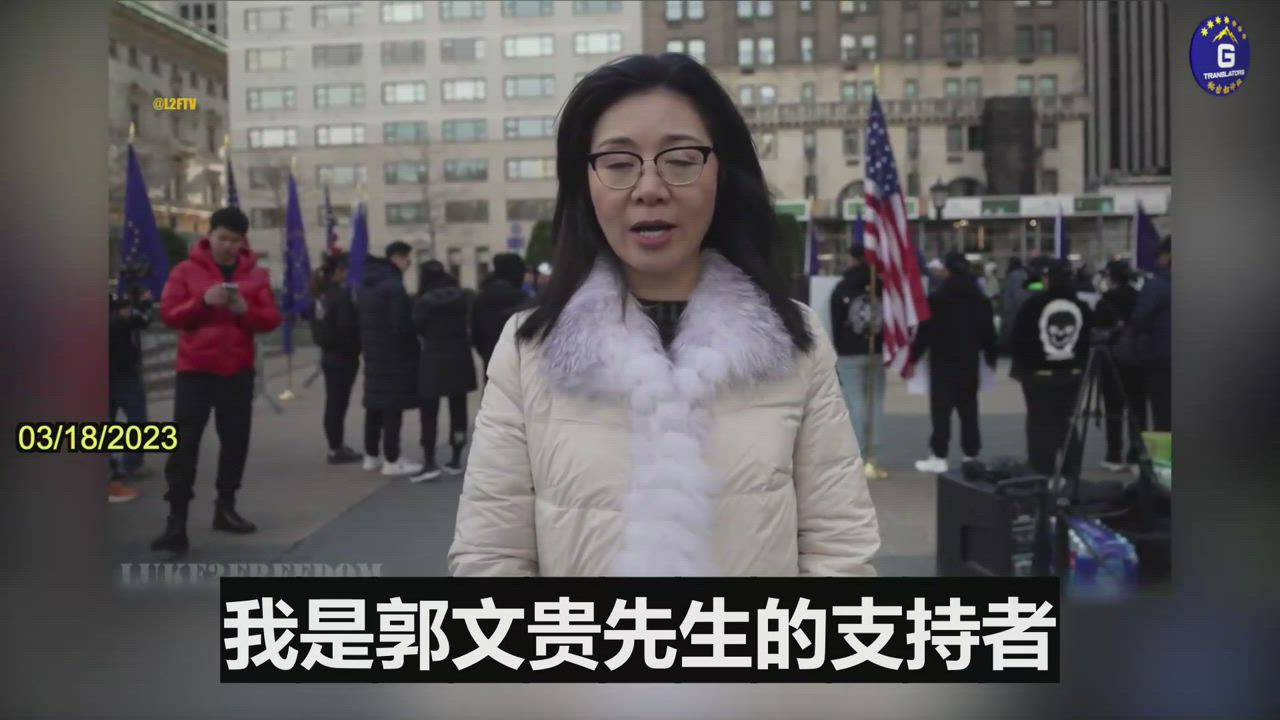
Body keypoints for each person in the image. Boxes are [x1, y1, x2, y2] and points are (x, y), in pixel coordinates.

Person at [447, 53, 880, 577]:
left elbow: (840, 549)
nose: (650, 188)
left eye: (680, 159)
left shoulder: (796, 341)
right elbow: (491, 557)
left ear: (722, 173)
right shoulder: (527, 349)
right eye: (618, 163)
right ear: (585, 183)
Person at [151, 207, 282, 553]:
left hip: (237, 371)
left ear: (243, 242)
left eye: (235, 240)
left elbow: (271, 319)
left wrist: (245, 311)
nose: (228, 245)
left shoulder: (256, 275)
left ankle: (226, 507)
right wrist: (203, 302)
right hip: (195, 370)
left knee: (235, 442)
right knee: (184, 444)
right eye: (223, 238)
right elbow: (169, 315)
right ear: (209, 235)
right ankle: (176, 519)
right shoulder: (185, 271)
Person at [904, 252, 998, 474]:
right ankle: (970, 455)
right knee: (969, 410)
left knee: (941, 412)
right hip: (969, 362)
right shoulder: (980, 299)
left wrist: (912, 359)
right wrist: (991, 357)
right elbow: (989, 334)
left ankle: (939, 456)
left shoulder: (937, 298)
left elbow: (925, 333)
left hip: (942, 362)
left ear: (947, 270)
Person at [1011, 258, 1093, 480]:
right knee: (1066, 422)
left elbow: (1018, 338)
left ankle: (1041, 472)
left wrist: (1025, 365)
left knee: (1040, 423)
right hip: (1072, 373)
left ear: (1048, 279)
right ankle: (1070, 472)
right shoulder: (1081, 305)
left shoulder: (1033, 305)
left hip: (1039, 374)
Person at [357, 241, 424, 477]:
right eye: (407, 260)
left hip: (373, 353)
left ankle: (371, 455)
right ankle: (392, 459)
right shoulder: (394, 286)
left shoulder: (366, 284)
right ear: (398, 258)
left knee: (374, 404)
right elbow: (402, 325)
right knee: (392, 407)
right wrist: (414, 349)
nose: (408, 264)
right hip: (394, 356)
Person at [410, 261, 478, 481]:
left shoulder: (423, 301)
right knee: (458, 410)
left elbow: (417, 327)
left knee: (429, 413)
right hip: (459, 357)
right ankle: (456, 457)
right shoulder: (463, 297)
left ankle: (429, 459)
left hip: (432, 358)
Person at [829, 244, 887, 480]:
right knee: (875, 405)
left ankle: (858, 456)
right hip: (877, 352)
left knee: (855, 404)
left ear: (852, 258)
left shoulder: (842, 287)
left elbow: (836, 323)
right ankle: (874, 455)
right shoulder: (880, 286)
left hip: (849, 353)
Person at [309, 250, 363, 465]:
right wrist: (357, 346)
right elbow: (346, 328)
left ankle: (335, 445)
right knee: (338, 404)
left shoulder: (320, 295)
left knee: (333, 401)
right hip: (343, 357)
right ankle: (336, 448)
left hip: (328, 355)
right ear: (339, 271)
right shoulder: (341, 297)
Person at [1093, 259, 1147, 472]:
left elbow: (1096, 330)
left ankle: (1113, 454)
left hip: (1111, 360)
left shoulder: (1105, 301)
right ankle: (1137, 454)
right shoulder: (1141, 298)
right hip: (1137, 360)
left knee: (1113, 408)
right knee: (1138, 408)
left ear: (1111, 277)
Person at [107, 283, 154, 503]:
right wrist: (126, 313)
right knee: (136, 419)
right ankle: (122, 470)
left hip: (118, 369)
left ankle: (124, 465)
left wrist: (141, 305)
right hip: (118, 373)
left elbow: (140, 321)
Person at [1130, 236, 1171, 432]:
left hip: (1161, 358)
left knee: (1163, 414)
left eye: (1160, 255)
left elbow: (1139, 320)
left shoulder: (1156, 286)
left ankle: (1166, 454)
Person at [472, 253, 530, 372]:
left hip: (490, 356)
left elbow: (475, 330)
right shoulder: (521, 298)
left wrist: (484, 352)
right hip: (516, 359)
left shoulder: (482, 296)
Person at [999, 257, 1030, 355]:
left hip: (1013, 315)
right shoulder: (1027, 275)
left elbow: (1008, 299)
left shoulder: (1012, 277)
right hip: (1026, 315)